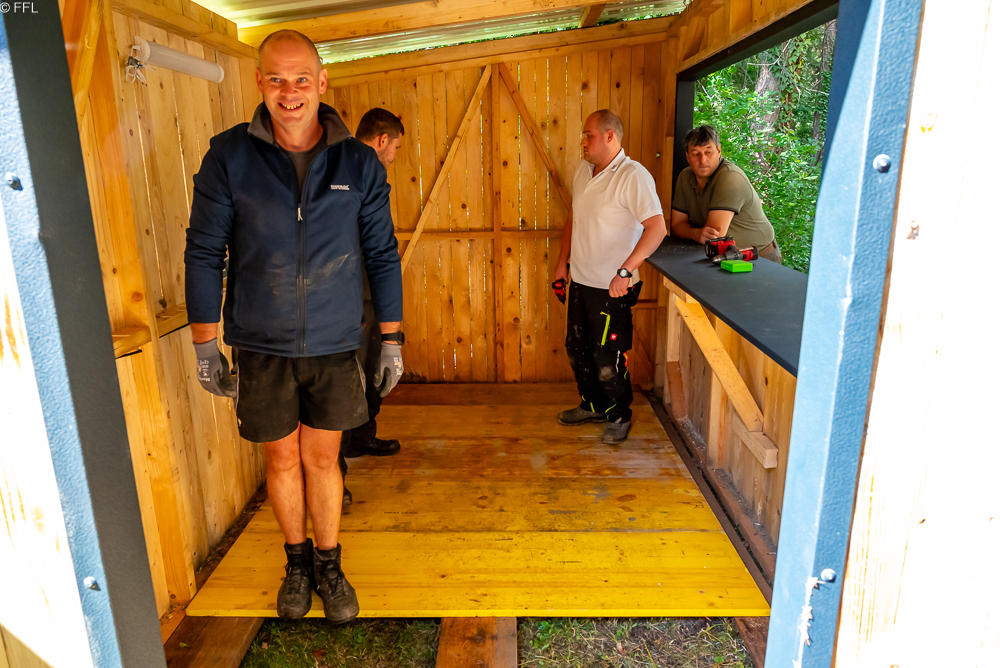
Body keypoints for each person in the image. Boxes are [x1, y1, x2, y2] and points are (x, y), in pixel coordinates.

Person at [183, 30, 405, 625]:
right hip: (261, 342)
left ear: (322, 82)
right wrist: (204, 343)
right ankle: (297, 565)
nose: (290, 91)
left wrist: (391, 338)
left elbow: (382, 254)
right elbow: (204, 252)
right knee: (281, 461)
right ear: (259, 82)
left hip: (334, 342)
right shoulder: (228, 157)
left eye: (302, 78)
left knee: (323, 460)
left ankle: (330, 564)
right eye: (277, 79)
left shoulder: (358, 163)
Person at [553, 109, 667, 444]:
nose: (583, 141)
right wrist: (562, 264)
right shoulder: (583, 170)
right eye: (583, 135)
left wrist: (625, 271)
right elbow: (575, 216)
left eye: (588, 135)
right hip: (581, 280)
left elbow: (657, 228)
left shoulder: (633, 176)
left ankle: (619, 414)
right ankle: (592, 405)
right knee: (577, 348)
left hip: (613, 287)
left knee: (607, 355)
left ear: (609, 136)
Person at [340, 108, 406, 461]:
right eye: (395, 147)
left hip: (366, 290)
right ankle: (341, 453)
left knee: (369, 369)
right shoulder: (363, 170)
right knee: (356, 373)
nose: (393, 156)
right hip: (357, 293)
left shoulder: (343, 165)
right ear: (382, 140)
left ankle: (361, 437)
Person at [670, 125, 782, 263]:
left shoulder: (730, 178)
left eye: (708, 152)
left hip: (759, 256)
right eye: (695, 153)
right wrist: (696, 234)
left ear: (719, 151)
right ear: (687, 156)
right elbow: (676, 226)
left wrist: (693, 232)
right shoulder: (685, 176)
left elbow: (715, 237)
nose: (703, 160)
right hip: (724, 257)